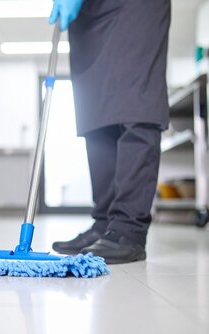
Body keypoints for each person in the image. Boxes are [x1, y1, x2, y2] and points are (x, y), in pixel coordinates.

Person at [49, 0, 171, 264]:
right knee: (96, 111)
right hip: (89, 12)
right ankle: (104, 223)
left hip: (134, 7)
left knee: (136, 102)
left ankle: (128, 229)